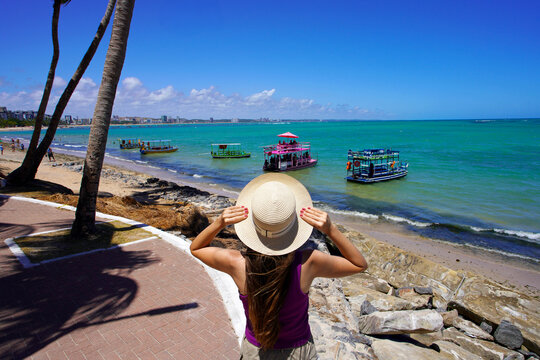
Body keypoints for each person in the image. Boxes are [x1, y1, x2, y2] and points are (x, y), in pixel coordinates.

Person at [190, 174, 367, 359]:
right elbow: (359, 264)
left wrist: (220, 223)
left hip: (255, 351)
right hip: (298, 352)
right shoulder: (308, 263)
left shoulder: (237, 264)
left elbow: (196, 248)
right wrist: (331, 229)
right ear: (292, 226)